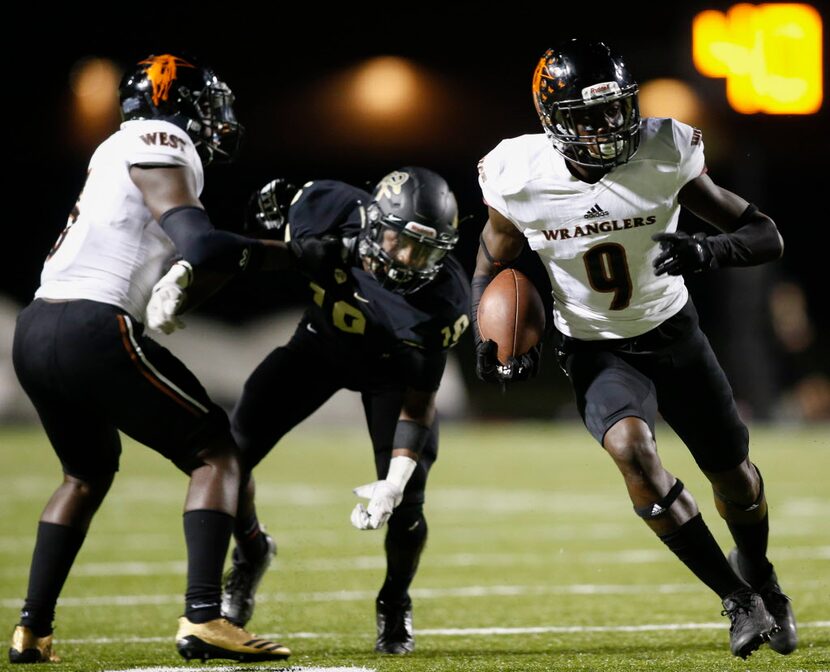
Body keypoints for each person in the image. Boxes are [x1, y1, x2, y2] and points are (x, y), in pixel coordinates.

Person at [471, 38, 796, 660]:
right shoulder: (518, 174)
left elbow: (764, 235)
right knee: (631, 449)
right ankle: (737, 599)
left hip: (673, 331)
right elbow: (495, 255)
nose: (606, 128)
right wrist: (485, 329)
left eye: (616, 110)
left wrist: (707, 250)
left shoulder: (664, 150)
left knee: (736, 481)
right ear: (552, 121)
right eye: (586, 117)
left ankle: (761, 575)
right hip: (595, 346)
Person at [8, 53, 295, 663]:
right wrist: (292, 253)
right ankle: (203, 618)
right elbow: (202, 244)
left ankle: (32, 629)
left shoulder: (114, 149)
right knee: (216, 451)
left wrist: (192, 276)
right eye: (211, 108)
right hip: (91, 323)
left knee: (83, 475)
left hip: (36, 327)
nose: (219, 123)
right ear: (179, 107)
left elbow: (197, 261)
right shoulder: (159, 139)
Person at [218, 167, 470, 655]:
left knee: (408, 508)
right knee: (227, 459)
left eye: (425, 251)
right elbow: (267, 235)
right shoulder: (328, 208)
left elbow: (418, 404)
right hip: (317, 349)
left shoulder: (443, 300)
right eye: (401, 242)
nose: (407, 261)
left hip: (392, 379)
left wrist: (393, 483)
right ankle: (251, 552)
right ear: (374, 223)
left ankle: (394, 600)